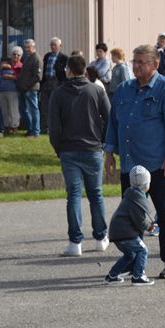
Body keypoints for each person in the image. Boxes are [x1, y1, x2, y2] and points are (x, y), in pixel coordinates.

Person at [104, 44, 165, 280]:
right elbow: (114, 122)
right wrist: (110, 152)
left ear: (155, 64)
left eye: (141, 62)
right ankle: (133, 259)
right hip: (131, 165)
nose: (136, 66)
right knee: (131, 216)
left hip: (158, 164)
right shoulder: (123, 90)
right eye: (134, 61)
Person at [49, 54, 111, 257]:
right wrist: (102, 142)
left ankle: (75, 242)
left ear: (68, 70)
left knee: (73, 195)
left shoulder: (58, 94)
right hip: (93, 148)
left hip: (68, 149)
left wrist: (58, 148)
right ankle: (101, 237)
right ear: (85, 69)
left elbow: (54, 127)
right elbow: (109, 118)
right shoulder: (96, 90)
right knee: (96, 194)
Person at [104, 165, 156, 286]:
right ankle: (138, 276)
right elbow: (140, 220)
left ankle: (112, 275)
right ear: (145, 185)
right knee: (142, 251)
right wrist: (149, 227)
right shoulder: (136, 200)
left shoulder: (130, 195)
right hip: (126, 233)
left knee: (130, 255)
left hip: (117, 233)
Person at [39, 37, 68, 133]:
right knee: (44, 106)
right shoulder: (47, 56)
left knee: (55, 106)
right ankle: (44, 127)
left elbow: (65, 73)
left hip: (57, 83)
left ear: (60, 46)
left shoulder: (64, 58)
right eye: (51, 45)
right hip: (46, 82)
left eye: (55, 45)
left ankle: (55, 127)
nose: (53, 47)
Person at [17, 39, 42, 137]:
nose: (27, 49)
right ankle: (31, 129)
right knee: (26, 110)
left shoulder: (36, 58)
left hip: (31, 89)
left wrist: (25, 85)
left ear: (33, 46)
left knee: (33, 110)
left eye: (29, 47)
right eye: (25, 47)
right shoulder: (28, 57)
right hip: (25, 88)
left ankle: (35, 131)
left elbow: (38, 76)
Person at [0, 46, 23, 134]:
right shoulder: (5, 64)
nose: (16, 56)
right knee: (4, 110)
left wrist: (9, 76)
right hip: (1, 90)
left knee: (14, 110)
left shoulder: (21, 66)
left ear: (20, 57)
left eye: (18, 55)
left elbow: (20, 78)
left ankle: (15, 127)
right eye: (14, 54)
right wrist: (2, 67)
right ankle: (6, 127)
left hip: (13, 91)